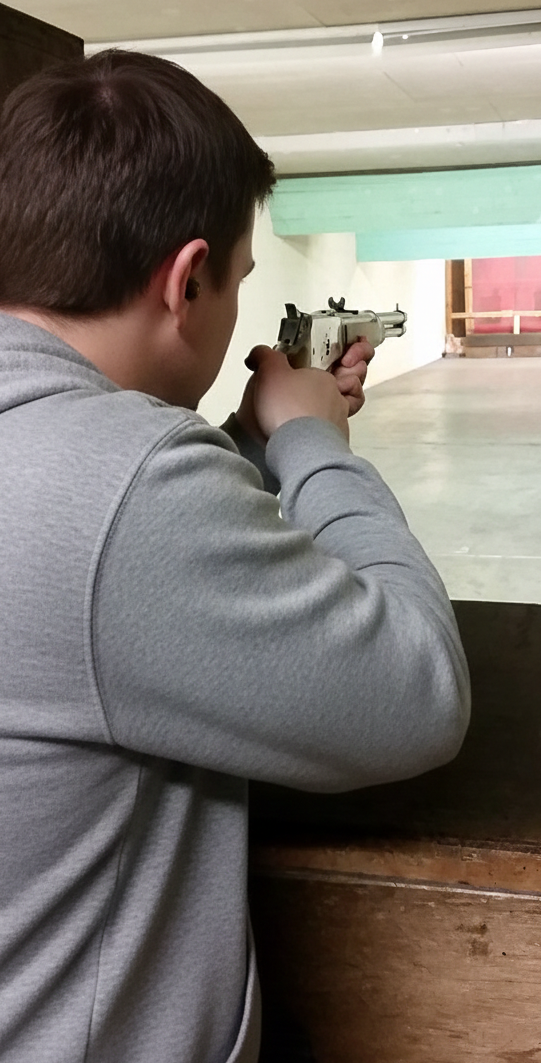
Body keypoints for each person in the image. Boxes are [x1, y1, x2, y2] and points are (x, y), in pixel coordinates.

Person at [0, 49, 470, 1063]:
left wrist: (243, 448)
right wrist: (312, 446)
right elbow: (415, 694)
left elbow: (121, 601)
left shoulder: (76, 465)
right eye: (237, 282)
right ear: (189, 278)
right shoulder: (121, 485)